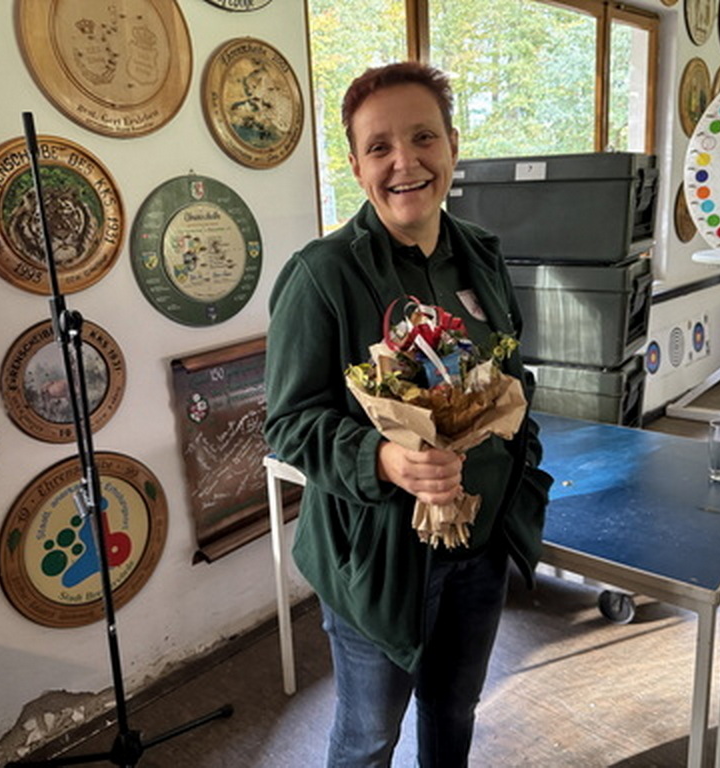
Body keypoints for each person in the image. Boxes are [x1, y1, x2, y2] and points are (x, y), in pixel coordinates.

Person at [264, 61, 553, 767]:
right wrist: (384, 459)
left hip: (479, 542)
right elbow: (288, 424)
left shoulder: (480, 255)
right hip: (380, 560)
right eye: (379, 147)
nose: (405, 162)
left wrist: (522, 467)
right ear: (357, 166)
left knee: (454, 711)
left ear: (452, 145)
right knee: (370, 737)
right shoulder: (323, 275)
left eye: (423, 137)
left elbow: (511, 375)